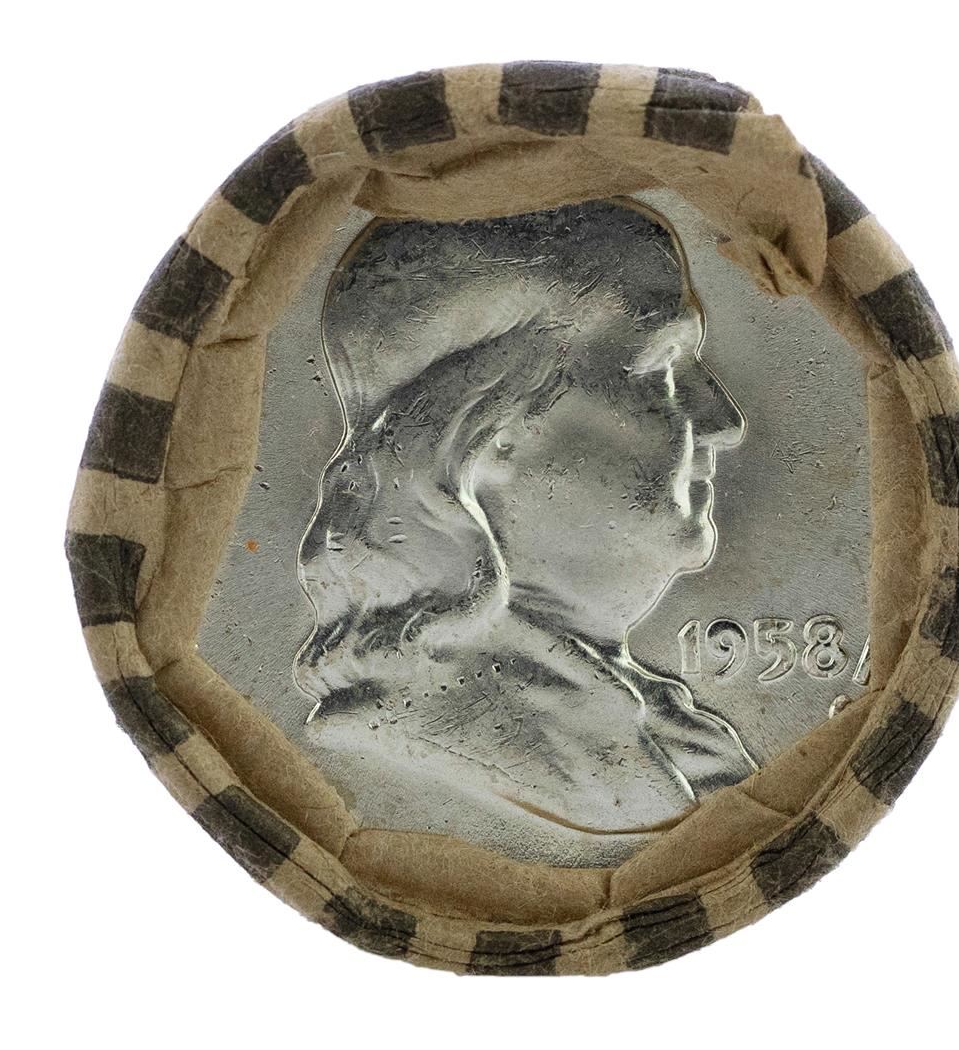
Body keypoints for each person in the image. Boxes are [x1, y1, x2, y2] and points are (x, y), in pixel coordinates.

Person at [294, 197, 756, 866]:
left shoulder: (655, 726)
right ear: (491, 436)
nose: (724, 422)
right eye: (663, 367)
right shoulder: (439, 733)